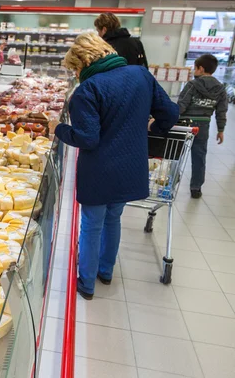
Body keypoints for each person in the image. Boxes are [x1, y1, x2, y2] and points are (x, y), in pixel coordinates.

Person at [52, 33, 178, 300]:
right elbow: (171, 112)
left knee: (92, 224)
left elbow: (87, 138)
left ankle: (86, 283)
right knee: (113, 219)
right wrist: (153, 128)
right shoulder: (140, 75)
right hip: (131, 166)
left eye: (75, 67)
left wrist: (59, 129)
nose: (76, 73)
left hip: (99, 170)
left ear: (84, 61)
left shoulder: (86, 90)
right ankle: (105, 272)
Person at [177, 54, 228, 199]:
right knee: (199, 156)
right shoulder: (220, 89)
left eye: (195, 68)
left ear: (201, 68)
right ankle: (196, 188)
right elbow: (221, 111)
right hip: (203, 125)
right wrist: (221, 130)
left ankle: (171, 180)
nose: (194, 71)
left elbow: (181, 105)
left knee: (176, 152)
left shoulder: (192, 85)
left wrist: (170, 119)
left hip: (185, 125)